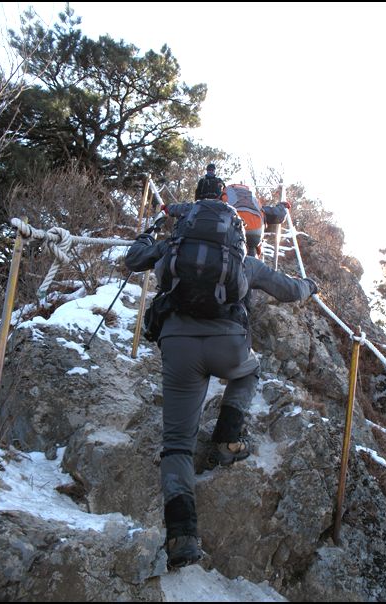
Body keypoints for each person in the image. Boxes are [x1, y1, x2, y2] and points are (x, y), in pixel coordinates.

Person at [124, 200, 318, 570]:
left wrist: (148, 232)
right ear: (237, 234)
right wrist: (310, 285)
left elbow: (134, 259)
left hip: (178, 345)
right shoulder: (243, 260)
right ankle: (228, 438)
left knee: (177, 445)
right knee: (249, 370)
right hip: (228, 345)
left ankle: (181, 536)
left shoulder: (173, 248)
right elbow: (289, 290)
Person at [222, 183, 291, 258]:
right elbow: (278, 215)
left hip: (232, 234)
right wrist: (283, 206)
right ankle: (253, 264)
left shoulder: (224, 200)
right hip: (255, 233)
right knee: (252, 253)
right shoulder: (255, 205)